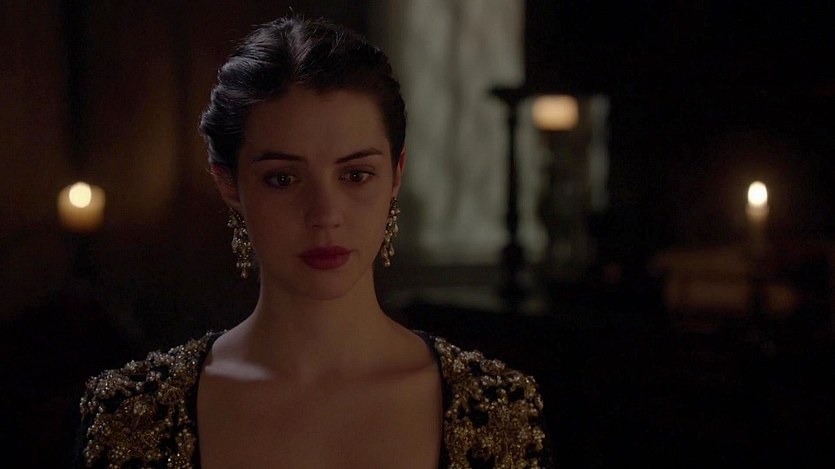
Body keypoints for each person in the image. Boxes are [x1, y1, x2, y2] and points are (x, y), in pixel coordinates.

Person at [76, 16, 553, 468]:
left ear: (396, 174)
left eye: (356, 175)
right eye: (283, 179)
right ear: (229, 184)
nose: (325, 215)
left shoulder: (497, 409)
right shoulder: (132, 415)